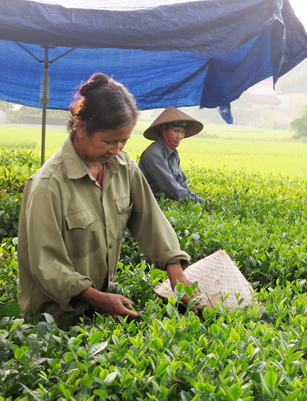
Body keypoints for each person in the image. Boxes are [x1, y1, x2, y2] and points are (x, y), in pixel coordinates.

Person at [17, 73, 199, 327]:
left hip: (100, 305)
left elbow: (150, 220)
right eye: (109, 141)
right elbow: (46, 263)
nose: (116, 149)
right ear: (81, 128)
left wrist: (175, 270)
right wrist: (98, 298)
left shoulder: (124, 168)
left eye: (123, 140)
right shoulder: (48, 185)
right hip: (53, 317)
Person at [138, 106, 209, 209]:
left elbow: (181, 183)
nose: (179, 136)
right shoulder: (154, 155)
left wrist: (195, 200)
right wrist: (200, 202)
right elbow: (171, 187)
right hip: (151, 206)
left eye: (183, 132)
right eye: (176, 131)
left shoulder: (173, 154)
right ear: (164, 130)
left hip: (168, 204)